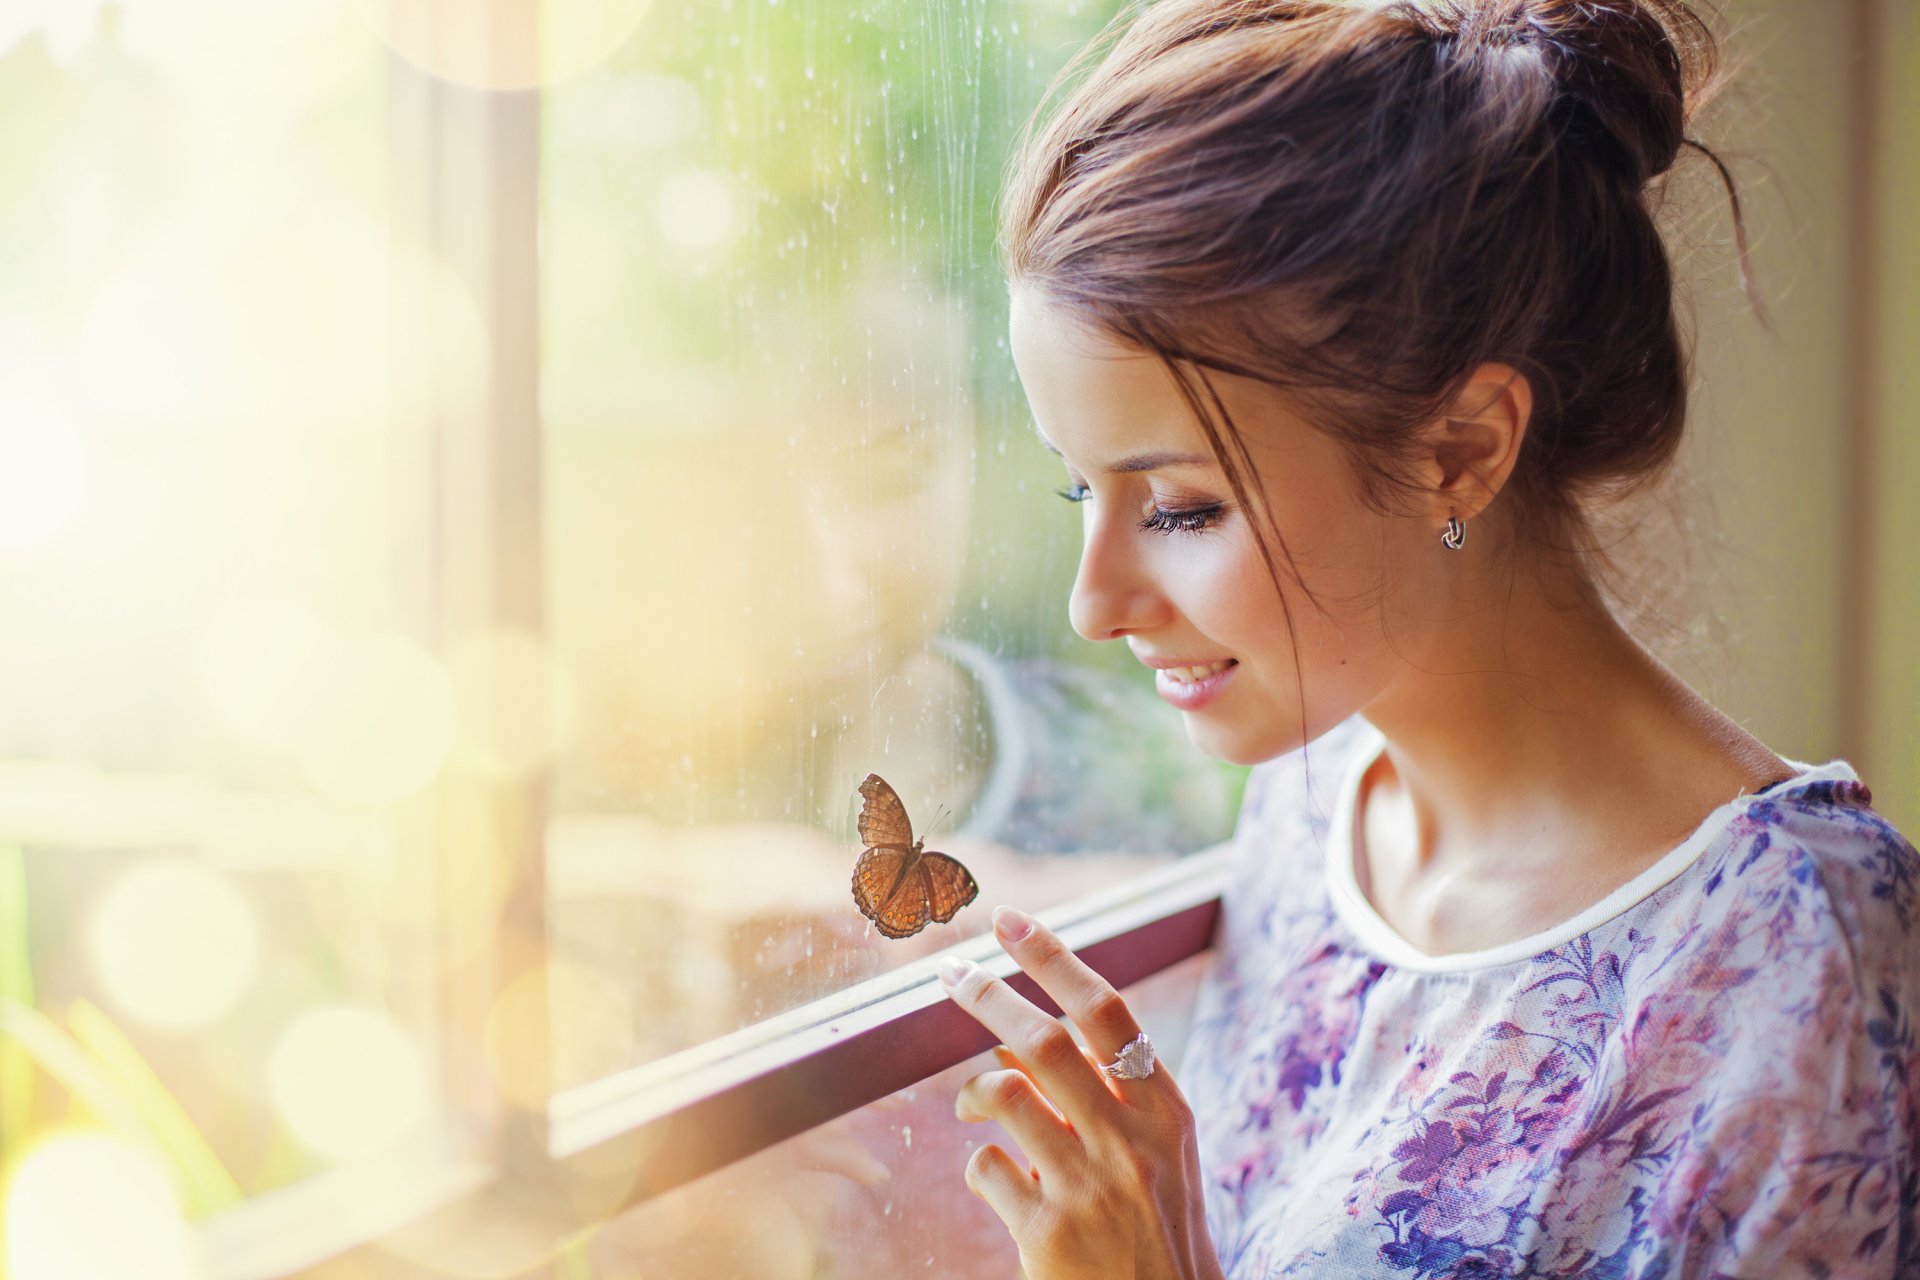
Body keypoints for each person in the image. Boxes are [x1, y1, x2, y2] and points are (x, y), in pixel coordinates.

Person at [931, 0, 1920, 1276]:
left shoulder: (1798, 957)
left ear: (1461, 449)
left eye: (1180, 504)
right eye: (1080, 487)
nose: (1092, 601)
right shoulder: (1311, 791)